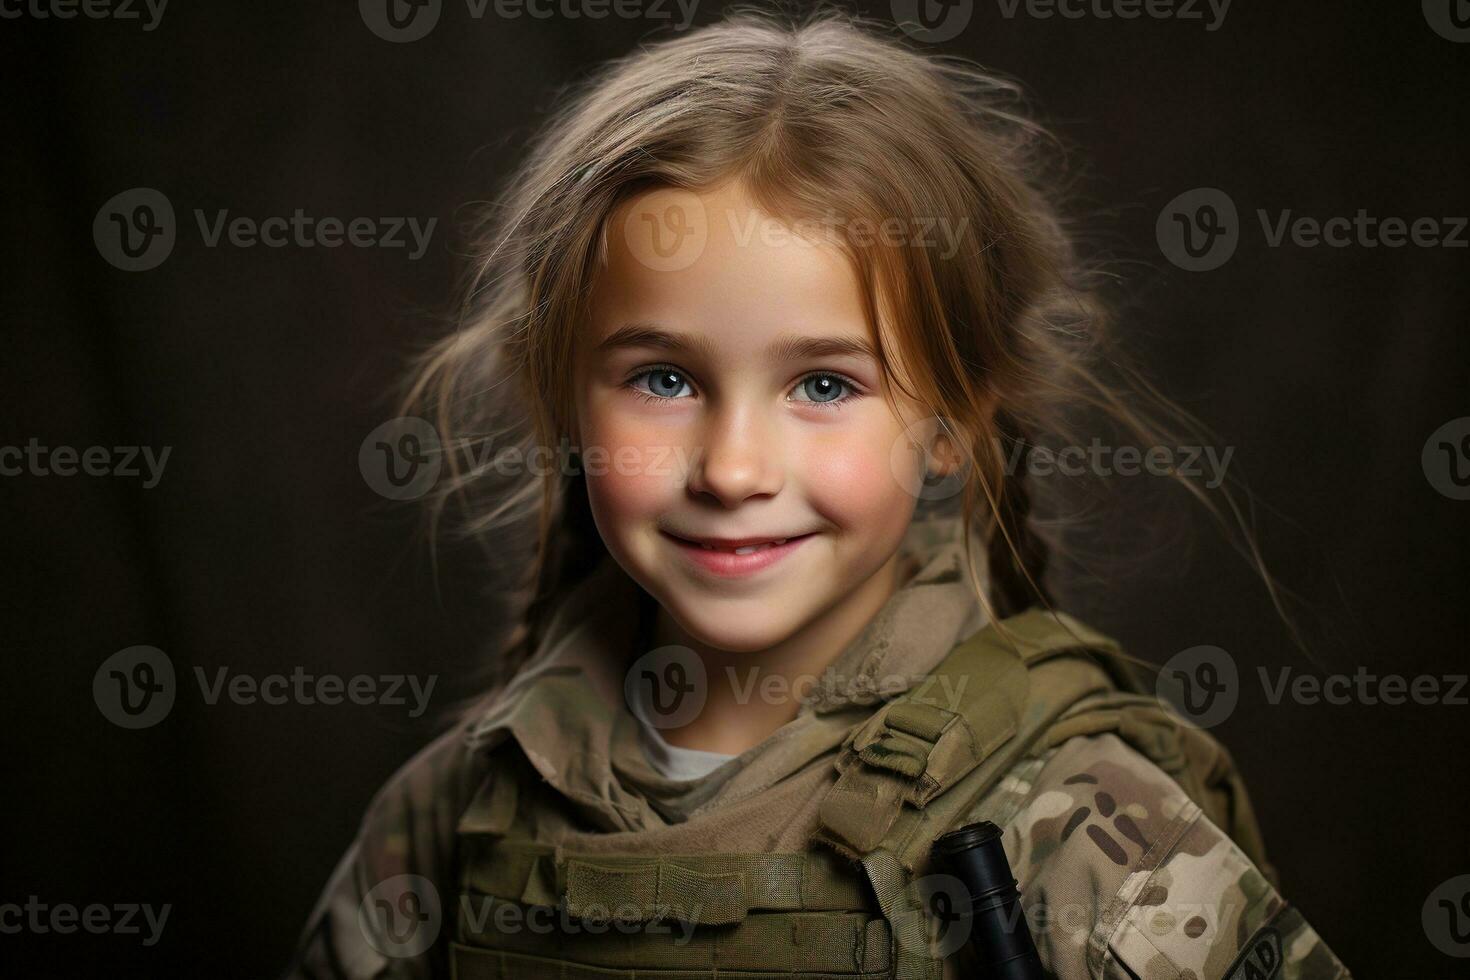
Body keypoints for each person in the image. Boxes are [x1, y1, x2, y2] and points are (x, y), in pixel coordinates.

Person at [284, 6, 1350, 978]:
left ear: (952, 425)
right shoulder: (450, 818)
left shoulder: (1082, 829)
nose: (734, 468)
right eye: (663, 377)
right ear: (558, 395)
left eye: (826, 383)